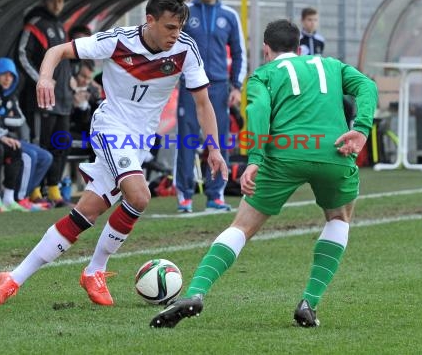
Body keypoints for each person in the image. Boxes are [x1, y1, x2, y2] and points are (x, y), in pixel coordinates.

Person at [0, 0, 229, 306]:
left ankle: (13, 278)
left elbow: (203, 103)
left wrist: (213, 148)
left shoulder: (186, 50)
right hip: (111, 127)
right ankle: (95, 270)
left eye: (181, 28)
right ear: (150, 20)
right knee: (140, 195)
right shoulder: (118, 40)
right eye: (170, 27)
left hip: (139, 141)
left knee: (85, 213)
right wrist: (45, 78)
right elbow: (57, 51)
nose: (176, 35)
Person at [150, 19, 378, 329]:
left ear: (266, 49)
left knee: (242, 227)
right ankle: (309, 302)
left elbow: (257, 112)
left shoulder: (262, 75)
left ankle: (195, 293)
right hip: (334, 152)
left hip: (284, 153)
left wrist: (254, 158)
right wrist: (361, 129)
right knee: (338, 219)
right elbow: (367, 86)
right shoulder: (331, 65)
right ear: (299, 48)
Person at [175, 0, 247, 213]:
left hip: (218, 87)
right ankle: (184, 195)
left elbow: (239, 53)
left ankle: (215, 195)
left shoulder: (229, 15)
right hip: (189, 86)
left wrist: (236, 87)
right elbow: (172, 45)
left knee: (218, 141)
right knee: (186, 140)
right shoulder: (186, 13)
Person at [17, 0, 74, 207]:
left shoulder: (61, 27)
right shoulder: (35, 24)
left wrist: (70, 83)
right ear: (44, 1)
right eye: (53, 1)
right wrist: (42, 80)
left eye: (60, 1)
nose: (57, 5)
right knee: (41, 145)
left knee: (61, 145)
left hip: (63, 100)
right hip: (43, 100)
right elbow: (22, 55)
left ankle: (54, 190)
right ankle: (34, 191)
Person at [0, 57, 53, 211]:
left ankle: (20, 195)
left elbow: (20, 119)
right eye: (4, 74)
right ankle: (19, 199)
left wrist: (3, 119)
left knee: (46, 157)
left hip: (8, 136)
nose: (8, 79)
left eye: (11, 75)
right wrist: (4, 124)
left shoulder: (11, 95)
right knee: (29, 155)